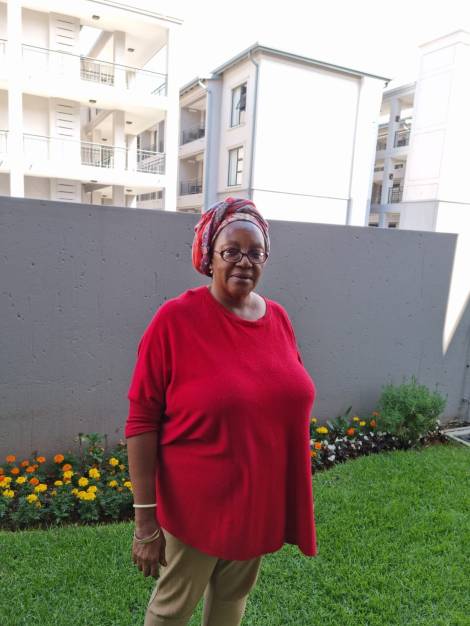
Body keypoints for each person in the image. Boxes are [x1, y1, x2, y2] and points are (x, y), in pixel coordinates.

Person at [125, 196, 318, 626]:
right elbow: (141, 422)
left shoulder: (279, 319)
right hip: (197, 508)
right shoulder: (175, 321)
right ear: (209, 256)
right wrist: (145, 521)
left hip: (257, 500)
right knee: (172, 609)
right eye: (231, 251)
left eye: (255, 252)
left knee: (232, 601)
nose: (244, 262)